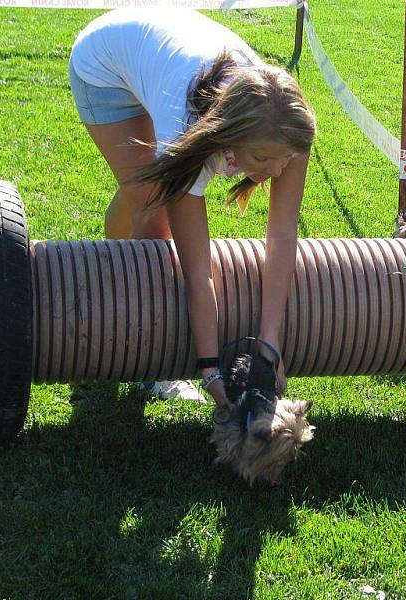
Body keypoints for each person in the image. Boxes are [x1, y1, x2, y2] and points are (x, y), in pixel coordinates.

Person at [69, 9, 316, 404]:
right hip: (103, 66)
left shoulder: (288, 127)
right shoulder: (188, 128)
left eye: (282, 160)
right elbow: (198, 271)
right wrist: (208, 366)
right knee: (153, 210)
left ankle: (116, 248)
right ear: (228, 140)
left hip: (164, 54)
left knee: (146, 189)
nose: (275, 171)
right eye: (262, 160)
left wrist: (270, 342)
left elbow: (282, 234)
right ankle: (150, 370)